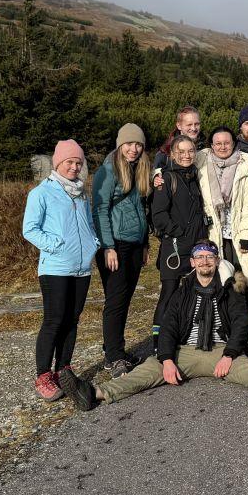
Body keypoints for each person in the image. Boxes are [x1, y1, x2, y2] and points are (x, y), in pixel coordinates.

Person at [59, 241, 248, 409]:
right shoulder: (182, 292)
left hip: (221, 350)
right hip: (185, 351)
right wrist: (167, 359)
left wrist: (229, 354)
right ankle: (93, 393)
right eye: (200, 257)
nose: (204, 261)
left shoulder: (229, 290)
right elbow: (168, 327)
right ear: (192, 262)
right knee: (147, 371)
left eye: (209, 257)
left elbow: (241, 323)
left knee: (245, 368)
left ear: (216, 261)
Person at [22, 139, 99, 401]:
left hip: (82, 268)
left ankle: (63, 370)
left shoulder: (82, 193)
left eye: (78, 163)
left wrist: (93, 243)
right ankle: (43, 376)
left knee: (72, 319)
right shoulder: (41, 193)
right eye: (70, 162)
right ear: (58, 163)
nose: (74, 167)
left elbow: (88, 224)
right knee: (54, 320)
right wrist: (55, 245)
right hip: (55, 267)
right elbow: (30, 229)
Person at [91, 123, 152, 376]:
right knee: (115, 301)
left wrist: (145, 243)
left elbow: (143, 209)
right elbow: (99, 210)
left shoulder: (141, 168)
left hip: (135, 244)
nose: (133, 149)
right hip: (115, 244)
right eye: (128, 144)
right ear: (120, 145)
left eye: (138, 144)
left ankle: (114, 350)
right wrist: (107, 247)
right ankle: (114, 358)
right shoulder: (108, 171)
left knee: (125, 300)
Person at [150, 135, 208, 343]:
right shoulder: (166, 179)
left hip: (196, 248)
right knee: (169, 294)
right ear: (173, 154)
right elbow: (158, 215)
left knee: (190, 294)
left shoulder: (195, 176)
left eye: (190, 151)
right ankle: (158, 342)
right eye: (181, 152)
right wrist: (179, 233)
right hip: (174, 248)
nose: (186, 155)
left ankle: (182, 337)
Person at [197, 126, 248, 280]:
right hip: (213, 231)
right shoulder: (201, 162)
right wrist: (157, 175)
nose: (222, 147)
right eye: (218, 143)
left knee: (246, 276)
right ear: (212, 145)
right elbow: (177, 162)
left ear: (233, 143)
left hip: (240, 232)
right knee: (220, 276)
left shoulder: (244, 166)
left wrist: (247, 235)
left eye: (227, 143)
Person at [154, 105, 202, 171]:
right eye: (189, 124)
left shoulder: (206, 149)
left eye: (197, 124)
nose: (194, 128)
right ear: (179, 126)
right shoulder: (165, 153)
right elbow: (156, 174)